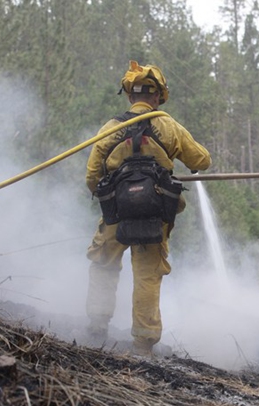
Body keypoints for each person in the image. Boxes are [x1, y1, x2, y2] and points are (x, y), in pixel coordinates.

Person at [85, 60, 211, 356]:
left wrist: (111, 196)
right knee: (147, 275)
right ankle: (143, 344)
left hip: (116, 215)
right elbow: (202, 161)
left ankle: (97, 327)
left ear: (130, 95)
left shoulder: (111, 128)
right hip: (154, 217)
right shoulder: (168, 126)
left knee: (104, 264)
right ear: (158, 96)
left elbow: (92, 176)